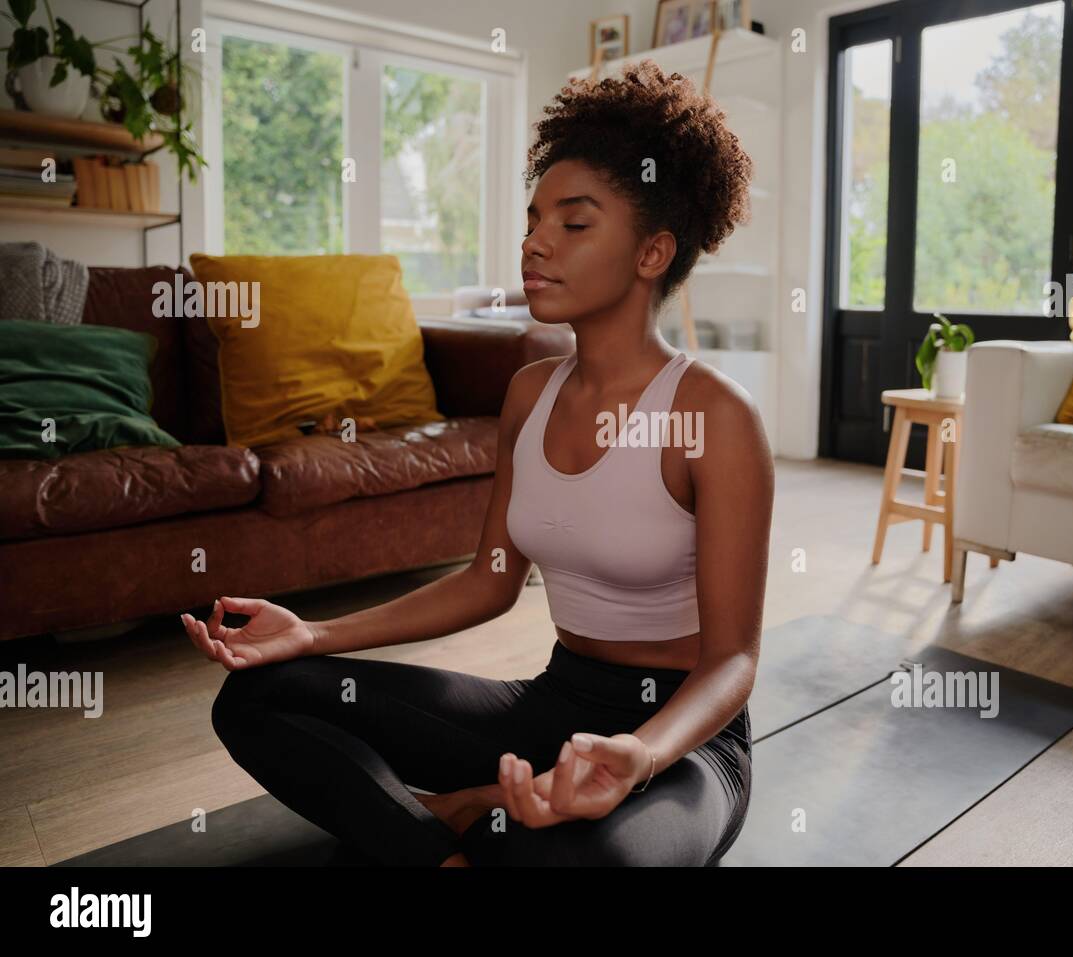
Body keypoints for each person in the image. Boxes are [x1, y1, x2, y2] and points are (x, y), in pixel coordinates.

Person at [183, 59, 774, 866]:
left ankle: (482, 820)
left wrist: (640, 752)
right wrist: (313, 631)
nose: (534, 242)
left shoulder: (715, 415)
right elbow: (487, 580)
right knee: (259, 696)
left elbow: (734, 660)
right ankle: (455, 836)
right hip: (554, 703)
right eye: (534, 218)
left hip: (685, 744)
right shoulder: (530, 393)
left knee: (607, 861)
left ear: (652, 252)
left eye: (574, 223)